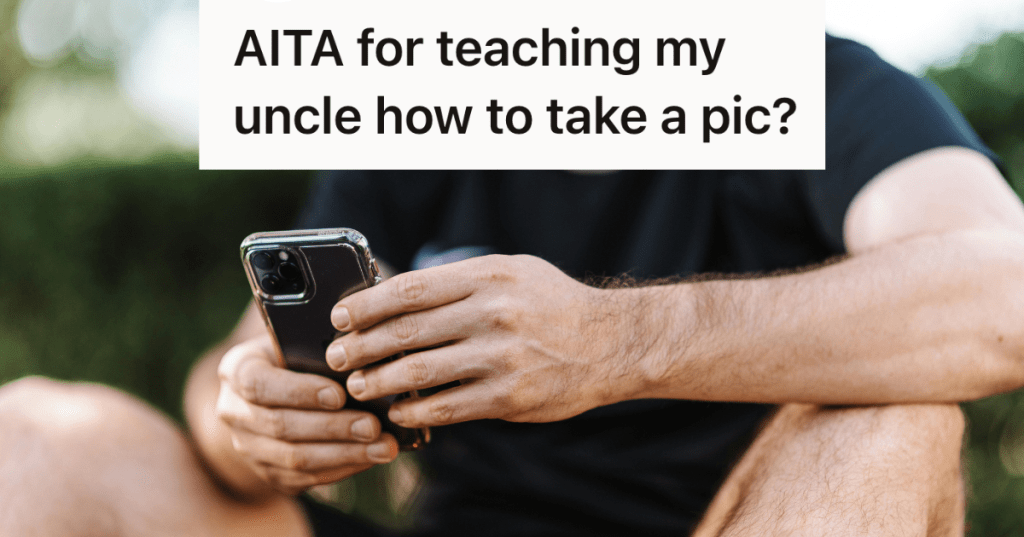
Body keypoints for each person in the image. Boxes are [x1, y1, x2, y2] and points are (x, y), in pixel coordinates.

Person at [2, 34, 1023, 536]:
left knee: (896, 417)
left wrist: (619, 344)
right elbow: (233, 378)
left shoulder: (826, 90)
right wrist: (249, 415)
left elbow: (1002, 297)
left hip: (738, 520)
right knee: (36, 440)